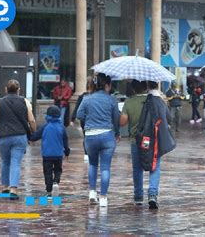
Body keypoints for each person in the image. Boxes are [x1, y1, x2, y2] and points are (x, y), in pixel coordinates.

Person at [120, 80, 172, 209]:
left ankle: (138, 197)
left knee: (137, 169)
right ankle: (153, 195)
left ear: (133, 88)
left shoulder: (129, 102)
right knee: (155, 166)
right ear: (145, 87)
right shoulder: (156, 100)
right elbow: (167, 118)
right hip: (153, 140)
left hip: (135, 141)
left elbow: (123, 122)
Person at [76, 73, 120, 208]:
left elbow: (79, 115)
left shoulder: (87, 99)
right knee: (105, 167)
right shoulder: (112, 100)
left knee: (93, 165)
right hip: (107, 135)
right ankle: (103, 198)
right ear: (107, 85)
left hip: (90, 135)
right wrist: (117, 133)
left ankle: (92, 193)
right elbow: (116, 119)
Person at [0, 79, 36, 200]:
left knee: (5, 161)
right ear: (19, 90)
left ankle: (5, 186)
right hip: (20, 135)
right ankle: (13, 189)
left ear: (6, 89)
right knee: (16, 162)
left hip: (3, 136)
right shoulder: (25, 101)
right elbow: (31, 120)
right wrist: (33, 132)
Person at [30, 105, 70, 199]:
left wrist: (28, 134)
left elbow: (34, 137)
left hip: (47, 154)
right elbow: (65, 141)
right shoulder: (62, 127)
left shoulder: (45, 126)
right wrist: (67, 152)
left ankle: (49, 191)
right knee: (58, 170)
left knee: (47, 172)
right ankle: (56, 182)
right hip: (58, 154)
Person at [71, 77, 96, 161]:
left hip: (84, 120)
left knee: (86, 136)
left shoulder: (82, 96)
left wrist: (72, 119)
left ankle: (86, 153)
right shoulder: (96, 96)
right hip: (93, 119)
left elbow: (77, 108)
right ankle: (92, 152)